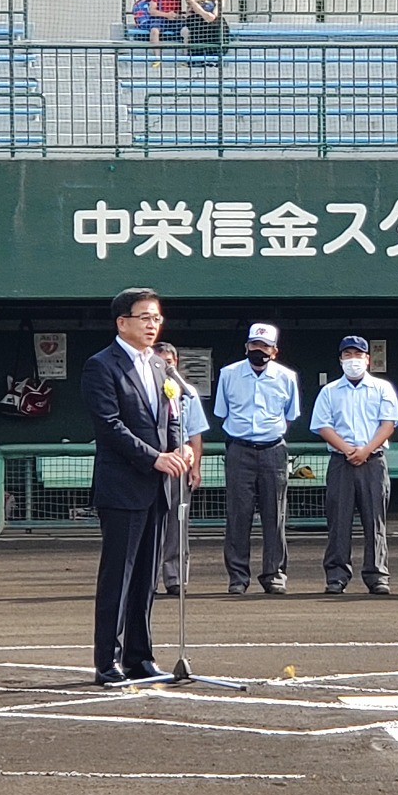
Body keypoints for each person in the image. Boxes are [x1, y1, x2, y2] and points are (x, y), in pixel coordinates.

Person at [80, 288, 191, 686]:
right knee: (119, 576)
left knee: (147, 577)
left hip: (158, 488)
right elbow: (110, 426)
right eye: (144, 317)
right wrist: (154, 457)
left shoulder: (162, 368)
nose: (152, 325)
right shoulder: (101, 366)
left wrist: (179, 449)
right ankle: (107, 660)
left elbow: (171, 417)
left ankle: (140, 658)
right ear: (122, 322)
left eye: (157, 318)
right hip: (123, 486)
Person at [310, 336, 398, 595]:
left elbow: (388, 424)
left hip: (373, 461)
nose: (353, 359)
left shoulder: (383, 388)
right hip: (341, 461)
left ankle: (377, 575)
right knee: (339, 521)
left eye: (357, 354)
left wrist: (365, 450)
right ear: (340, 359)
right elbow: (322, 425)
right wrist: (348, 449)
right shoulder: (329, 391)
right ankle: (337, 575)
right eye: (347, 354)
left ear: (367, 358)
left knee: (376, 520)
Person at [214, 323, 300, 595]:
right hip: (239, 449)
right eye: (254, 345)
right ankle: (238, 577)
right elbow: (222, 412)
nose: (258, 350)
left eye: (264, 346)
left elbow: (290, 415)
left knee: (275, 515)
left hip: (273, 449)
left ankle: (274, 575)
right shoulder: (228, 374)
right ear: (246, 346)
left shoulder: (286, 377)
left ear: (274, 350)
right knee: (238, 515)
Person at [152, 341, 210, 598]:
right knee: (150, 524)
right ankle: (147, 579)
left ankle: (175, 578)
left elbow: (195, 433)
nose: (167, 365)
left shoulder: (188, 392)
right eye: (161, 361)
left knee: (178, 523)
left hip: (179, 465)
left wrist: (195, 466)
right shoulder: (146, 388)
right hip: (151, 462)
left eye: (170, 361)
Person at [132, 0, 189, 64]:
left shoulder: (176, 0)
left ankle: (186, 58)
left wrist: (176, 16)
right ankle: (157, 58)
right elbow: (152, 11)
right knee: (155, 30)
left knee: (186, 29)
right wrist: (167, 15)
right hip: (157, 19)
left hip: (170, 21)